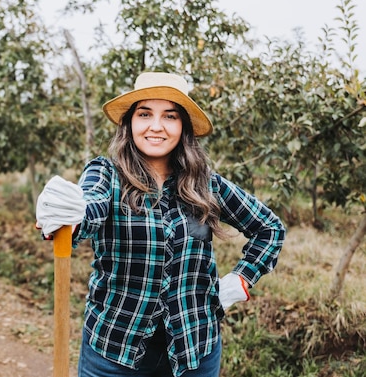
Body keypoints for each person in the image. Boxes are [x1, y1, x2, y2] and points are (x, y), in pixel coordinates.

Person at [36, 72, 286, 377]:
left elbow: (269, 228)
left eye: (170, 116)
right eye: (145, 114)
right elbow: (91, 208)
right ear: (130, 123)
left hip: (195, 350)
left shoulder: (205, 184)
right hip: (114, 351)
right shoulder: (106, 174)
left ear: (183, 128)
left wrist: (240, 281)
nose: (156, 126)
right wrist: (70, 216)